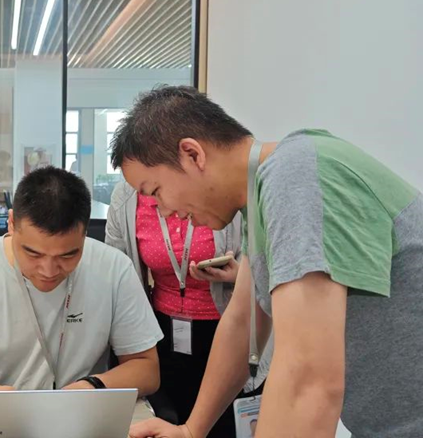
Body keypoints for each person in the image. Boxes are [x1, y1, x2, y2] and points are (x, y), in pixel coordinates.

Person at [114, 86, 423, 438]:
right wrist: (191, 430)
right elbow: (242, 322)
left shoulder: (295, 175)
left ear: (192, 154)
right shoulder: (260, 201)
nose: (164, 211)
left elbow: (308, 376)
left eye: (155, 192)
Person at [0, 167, 163, 401]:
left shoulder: (114, 268)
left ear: (85, 233)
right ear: (11, 224)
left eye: (67, 255)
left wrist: (93, 386)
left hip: (84, 412)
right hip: (1, 414)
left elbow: (147, 368)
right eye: (33, 253)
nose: (48, 271)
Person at [106, 180, 269, 436]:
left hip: (228, 326)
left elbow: (265, 267)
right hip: (163, 332)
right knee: (171, 419)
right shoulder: (127, 196)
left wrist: (241, 274)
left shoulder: (219, 184)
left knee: (226, 423)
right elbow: (117, 268)